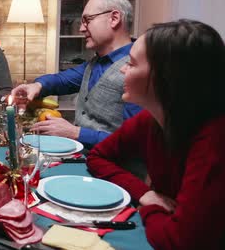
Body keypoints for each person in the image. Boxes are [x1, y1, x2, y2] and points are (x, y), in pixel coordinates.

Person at [87, 19, 225, 249]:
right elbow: (98, 156)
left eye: (131, 64)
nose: (122, 69)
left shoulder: (214, 139)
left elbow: (179, 241)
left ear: (166, 78)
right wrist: (145, 194)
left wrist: (149, 209)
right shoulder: (150, 120)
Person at [12, 0, 141, 147]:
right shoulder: (96, 62)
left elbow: (134, 144)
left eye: (87, 20)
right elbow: (62, 80)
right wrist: (36, 85)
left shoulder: (140, 70)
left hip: (114, 166)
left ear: (114, 18)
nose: (81, 28)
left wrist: (75, 133)